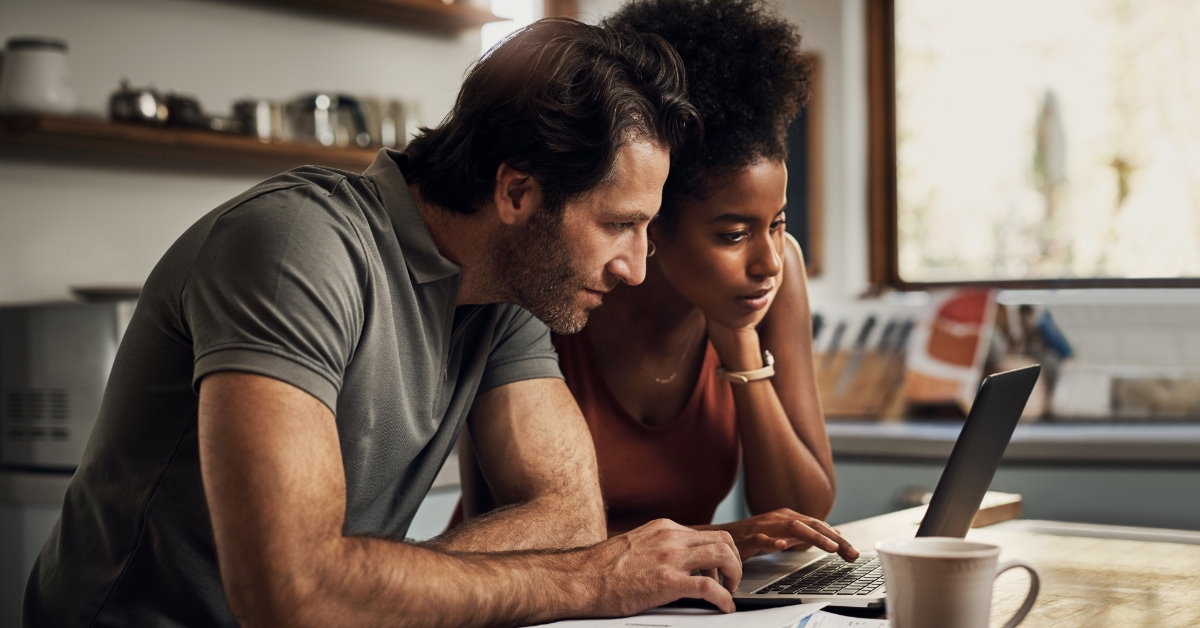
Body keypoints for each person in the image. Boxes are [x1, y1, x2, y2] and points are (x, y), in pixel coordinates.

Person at [22, 18, 745, 627]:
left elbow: (569, 519)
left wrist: (366, 586)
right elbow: (292, 595)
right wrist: (589, 581)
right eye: (619, 224)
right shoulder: (297, 247)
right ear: (518, 191)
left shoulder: (508, 293)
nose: (637, 268)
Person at [455, 0, 859, 565]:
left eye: (778, 222)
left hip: (668, 601)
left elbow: (803, 513)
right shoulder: (554, 286)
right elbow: (499, 527)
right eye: (734, 234)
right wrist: (712, 540)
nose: (769, 260)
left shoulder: (770, 279)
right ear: (652, 220)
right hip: (527, 599)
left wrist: (739, 343)